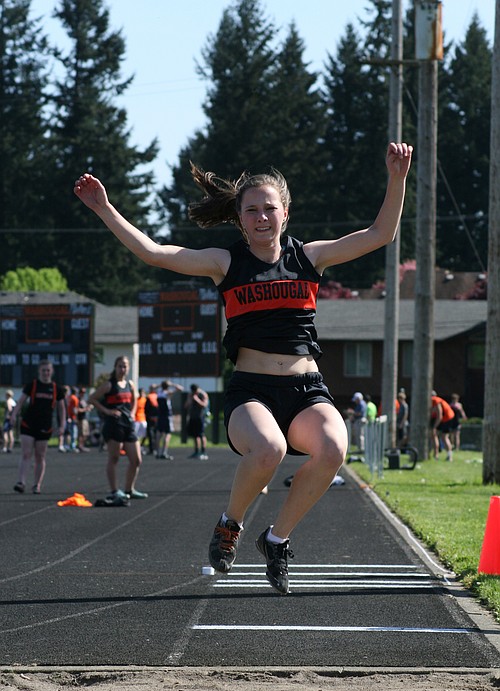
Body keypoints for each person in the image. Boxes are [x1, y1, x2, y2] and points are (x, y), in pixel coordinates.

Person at [74, 140, 412, 594]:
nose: (261, 217)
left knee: (333, 449)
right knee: (268, 449)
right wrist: (104, 209)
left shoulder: (309, 257)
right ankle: (230, 523)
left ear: (285, 213)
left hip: (306, 388)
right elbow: (155, 252)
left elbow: (379, 235)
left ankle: (276, 539)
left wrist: (397, 178)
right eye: (251, 210)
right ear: (240, 218)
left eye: (269, 208)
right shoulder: (225, 262)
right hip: (251, 390)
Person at [88, 356, 148, 506]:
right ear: (115, 367)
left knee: (136, 460)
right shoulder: (109, 385)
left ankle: (129, 490)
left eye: (125, 366)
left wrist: (133, 413)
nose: (123, 369)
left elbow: (134, 400)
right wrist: (107, 411)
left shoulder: (130, 384)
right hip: (114, 425)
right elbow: (92, 399)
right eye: (120, 366)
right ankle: (114, 490)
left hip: (128, 424)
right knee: (114, 458)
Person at [9, 360, 66, 494]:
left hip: (45, 426)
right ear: (39, 371)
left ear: (51, 372)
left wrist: (63, 425)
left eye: (48, 370)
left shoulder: (57, 388)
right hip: (28, 423)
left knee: (40, 456)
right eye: (43, 370)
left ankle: (37, 485)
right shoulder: (32, 385)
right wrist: (13, 415)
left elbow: (62, 409)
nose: (46, 373)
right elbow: (21, 401)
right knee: (26, 453)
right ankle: (21, 482)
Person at [156, 380, 183, 459]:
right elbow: (180, 388)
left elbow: (152, 386)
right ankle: (164, 452)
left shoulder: (159, 392)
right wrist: (172, 384)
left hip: (160, 415)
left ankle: (158, 452)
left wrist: (161, 385)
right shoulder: (167, 393)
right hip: (167, 416)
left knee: (159, 434)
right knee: (167, 434)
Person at [185, 383, 209, 459]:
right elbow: (186, 406)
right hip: (192, 417)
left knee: (201, 434)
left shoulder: (203, 394)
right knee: (195, 435)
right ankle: (196, 451)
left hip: (200, 417)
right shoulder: (190, 394)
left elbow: (205, 405)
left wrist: (197, 399)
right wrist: (189, 399)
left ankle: (203, 452)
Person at [430, 390, 454, 461]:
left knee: (443, 437)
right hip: (445, 419)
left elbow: (439, 415)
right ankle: (436, 455)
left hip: (446, 419)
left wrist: (434, 427)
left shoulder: (435, 400)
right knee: (436, 436)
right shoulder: (436, 400)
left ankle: (447, 456)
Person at [144, 384, 159, 455]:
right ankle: (155, 448)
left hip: (150, 417)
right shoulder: (157, 396)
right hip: (156, 417)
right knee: (155, 433)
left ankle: (152, 449)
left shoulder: (149, 397)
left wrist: (149, 416)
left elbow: (146, 408)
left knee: (150, 433)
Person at [77, 387, 92, 452]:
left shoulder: (83, 400)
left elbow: (85, 408)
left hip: (85, 418)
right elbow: (77, 409)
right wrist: (85, 409)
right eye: (82, 392)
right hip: (80, 419)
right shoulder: (78, 400)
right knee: (82, 433)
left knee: (86, 433)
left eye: (84, 393)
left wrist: (88, 407)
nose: (83, 394)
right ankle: (80, 446)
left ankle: (82, 445)